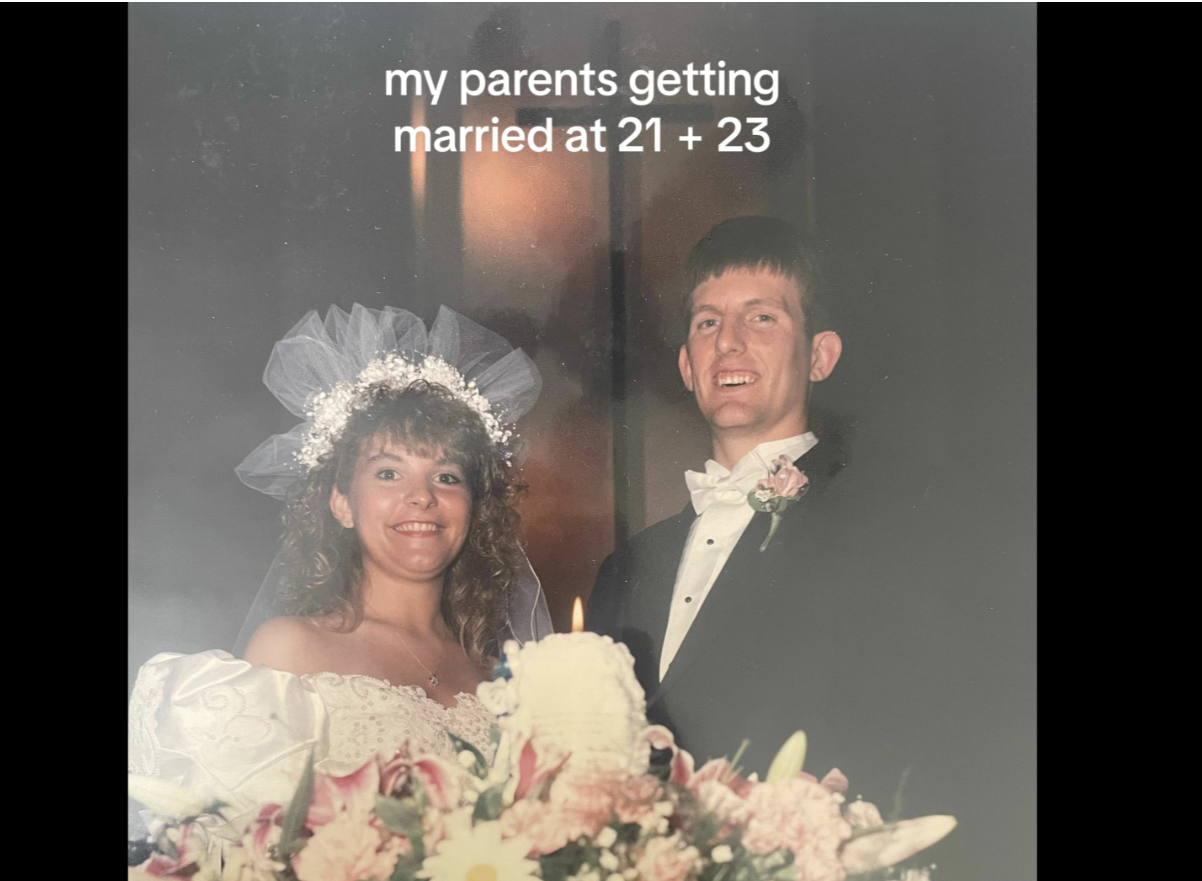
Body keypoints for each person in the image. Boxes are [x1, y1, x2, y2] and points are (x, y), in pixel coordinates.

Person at [128, 304, 548, 844]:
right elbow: (241, 859)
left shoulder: (501, 675)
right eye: (389, 472)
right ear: (342, 503)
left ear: (473, 508)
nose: (421, 496)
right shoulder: (291, 650)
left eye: (447, 476)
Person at [588, 217, 898, 792]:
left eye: (762, 317)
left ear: (820, 356)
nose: (727, 342)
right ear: (687, 366)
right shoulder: (624, 568)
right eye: (707, 322)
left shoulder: (885, 530)